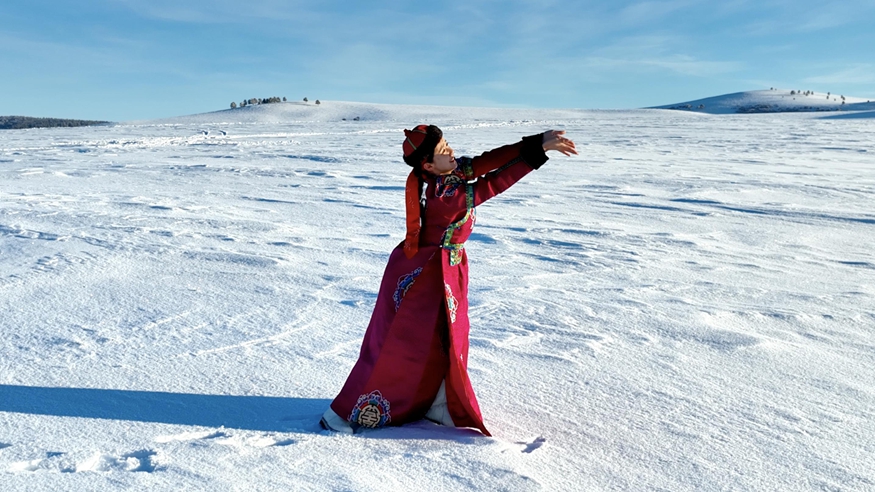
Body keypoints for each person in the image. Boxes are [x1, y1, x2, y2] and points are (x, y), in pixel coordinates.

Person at [321, 126, 577, 435]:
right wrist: (538, 153)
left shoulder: (447, 175)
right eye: (443, 150)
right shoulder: (445, 195)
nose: (451, 152)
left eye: (447, 144)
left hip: (445, 270)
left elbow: (485, 162)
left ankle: (439, 402)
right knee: (398, 343)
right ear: (428, 165)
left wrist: (536, 142)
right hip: (422, 277)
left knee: (449, 338)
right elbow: (492, 183)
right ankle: (345, 412)